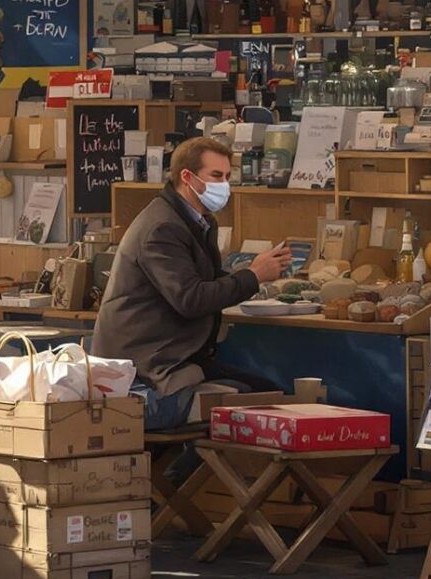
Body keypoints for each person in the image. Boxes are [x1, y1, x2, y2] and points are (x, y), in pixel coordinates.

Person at [92, 136, 291, 431]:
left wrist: (250, 273)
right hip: (148, 368)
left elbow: (202, 284)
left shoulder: (195, 221)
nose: (224, 185)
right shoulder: (163, 228)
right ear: (187, 177)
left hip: (174, 357)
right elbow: (191, 299)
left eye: (227, 177)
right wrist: (253, 275)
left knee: (271, 393)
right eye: (216, 176)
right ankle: (177, 477)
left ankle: (190, 475)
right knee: (261, 403)